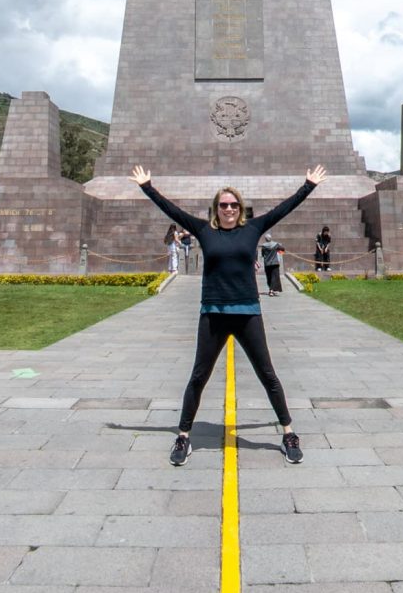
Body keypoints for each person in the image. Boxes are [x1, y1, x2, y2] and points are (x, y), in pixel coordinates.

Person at [129, 163, 328, 466]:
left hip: (247, 313)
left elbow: (283, 209)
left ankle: (288, 433)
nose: (229, 209)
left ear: (240, 208)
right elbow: (173, 211)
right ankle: (183, 436)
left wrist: (308, 185)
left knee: (268, 375)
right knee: (198, 377)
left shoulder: (253, 229)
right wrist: (147, 187)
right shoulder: (203, 230)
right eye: (224, 205)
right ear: (216, 208)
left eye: (234, 204)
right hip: (214, 313)